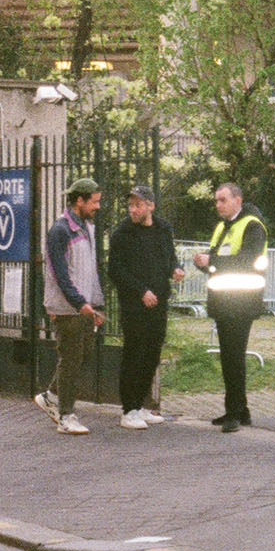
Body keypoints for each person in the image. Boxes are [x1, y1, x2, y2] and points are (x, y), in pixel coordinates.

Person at [107, 184, 182, 430]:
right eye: (131, 205)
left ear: (151, 206)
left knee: (152, 353)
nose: (133, 209)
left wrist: (175, 268)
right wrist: (141, 291)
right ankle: (128, 409)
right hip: (134, 305)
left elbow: (169, 256)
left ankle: (140, 405)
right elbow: (115, 270)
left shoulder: (163, 229)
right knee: (134, 354)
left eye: (138, 204)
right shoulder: (122, 234)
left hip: (159, 301)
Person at [193, 182, 265, 433]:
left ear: (237, 199)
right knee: (228, 356)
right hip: (224, 302)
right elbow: (218, 263)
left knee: (234, 356)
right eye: (216, 201)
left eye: (222, 200)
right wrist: (204, 263)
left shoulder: (252, 226)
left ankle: (235, 412)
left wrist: (212, 260)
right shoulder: (223, 227)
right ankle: (239, 410)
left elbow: (246, 261)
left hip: (242, 301)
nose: (218, 205)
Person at [36, 176, 105, 436]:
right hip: (68, 308)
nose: (97, 207)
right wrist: (79, 303)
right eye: (94, 202)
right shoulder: (60, 230)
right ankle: (66, 415)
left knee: (83, 354)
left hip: (84, 306)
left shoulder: (87, 228)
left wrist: (96, 303)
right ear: (79, 200)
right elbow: (58, 273)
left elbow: (91, 269)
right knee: (71, 359)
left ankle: (51, 396)